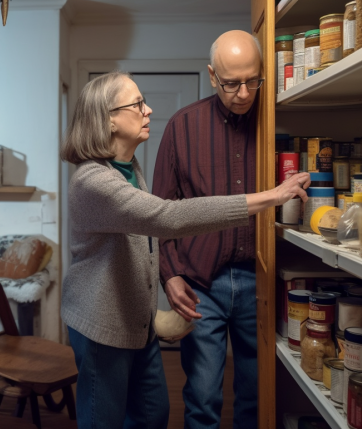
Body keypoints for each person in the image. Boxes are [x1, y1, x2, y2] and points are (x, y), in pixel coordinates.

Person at [60, 69, 309, 429]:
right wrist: (272, 196)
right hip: (102, 326)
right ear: (109, 120)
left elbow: (141, 239)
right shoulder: (93, 182)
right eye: (138, 104)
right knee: (103, 420)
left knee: (153, 413)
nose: (149, 110)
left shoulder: (127, 167)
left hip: (136, 324)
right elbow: (168, 217)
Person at [152, 30, 269, 429]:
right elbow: (161, 213)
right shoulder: (182, 127)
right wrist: (170, 276)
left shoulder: (274, 122)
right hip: (201, 285)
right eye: (230, 83)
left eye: (252, 81)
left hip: (262, 282)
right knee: (203, 399)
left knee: (257, 397)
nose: (242, 93)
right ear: (211, 75)